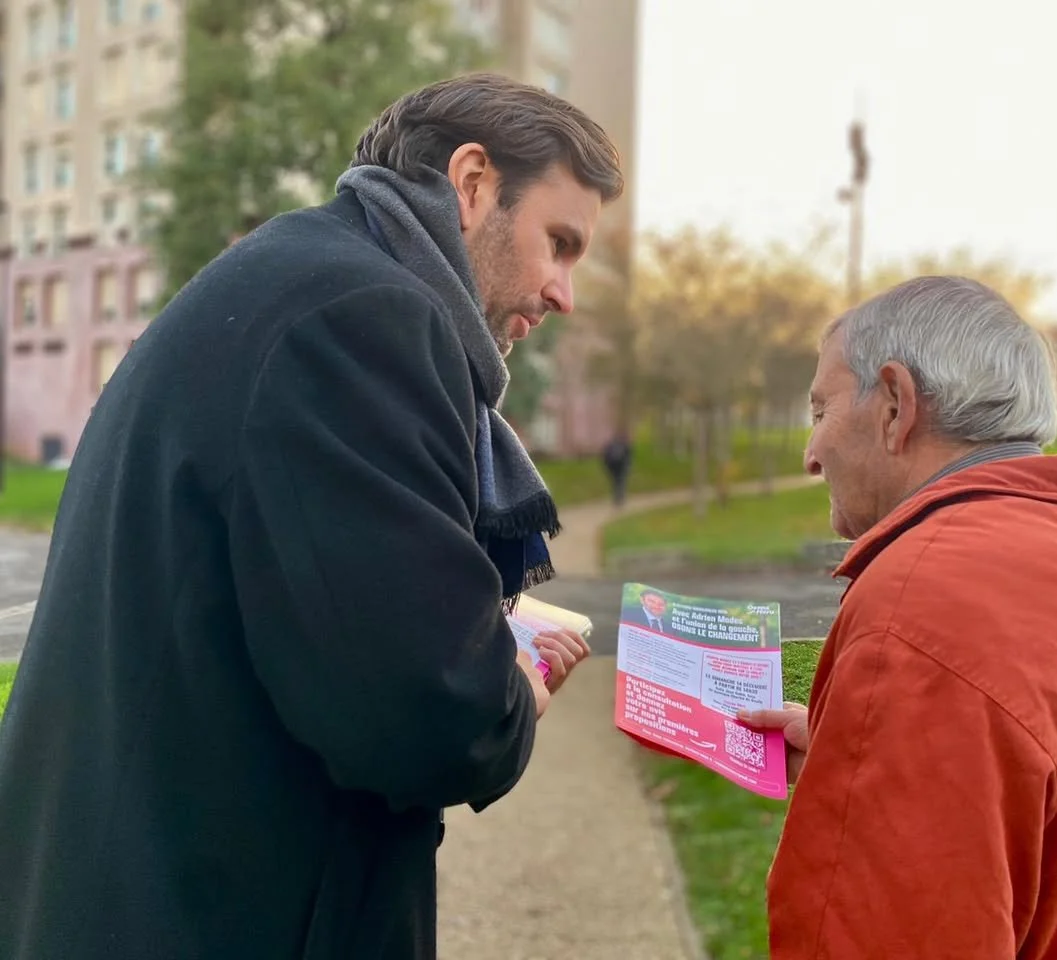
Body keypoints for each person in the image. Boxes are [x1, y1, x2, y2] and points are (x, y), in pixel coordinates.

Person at [0, 73, 622, 960]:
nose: (564, 294)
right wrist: (510, 687)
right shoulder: (365, 319)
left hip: (128, 886)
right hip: (216, 912)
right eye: (558, 244)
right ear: (474, 183)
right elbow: (423, 717)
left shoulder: (297, 274)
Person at [740, 276, 1057, 959]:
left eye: (820, 410)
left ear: (895, 404)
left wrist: (896, 722)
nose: (810, 455)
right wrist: (865, 753)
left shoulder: (920, 608)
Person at [601, 429, 633, 506]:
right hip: (620, 466)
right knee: (621, 481)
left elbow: (605, 457)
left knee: (615, 482)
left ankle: (617, 498)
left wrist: (607, 467)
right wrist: (628, 466)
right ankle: (620, 498)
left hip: (612, 466)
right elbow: (628, 457)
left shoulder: (610, 445)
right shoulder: (624, 445)